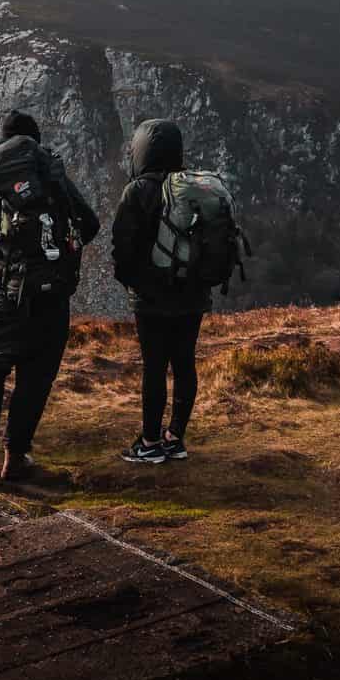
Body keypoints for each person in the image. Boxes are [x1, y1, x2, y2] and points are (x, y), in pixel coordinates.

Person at [0, 110, 100, 485]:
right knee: (35, 380)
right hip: (53, 296)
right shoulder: (53, 173)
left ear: (3, 140)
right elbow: (91, 224)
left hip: (4, 296)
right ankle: (16, 457)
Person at [111, 118, 209, 464]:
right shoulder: (195, 187)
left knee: (154, 366)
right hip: (193, 295)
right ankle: (175, 438)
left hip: (151, 299)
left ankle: (150, 442)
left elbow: (121, 246)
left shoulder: (138, 191)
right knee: (185, 362)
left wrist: (135, 283)